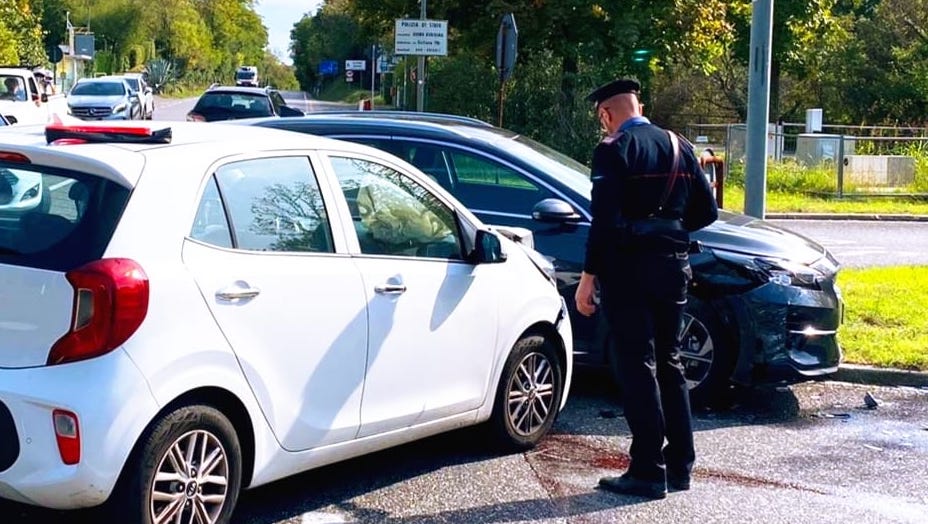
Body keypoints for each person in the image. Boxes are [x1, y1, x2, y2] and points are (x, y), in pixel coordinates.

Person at [574, 78, 718, 500]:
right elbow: (706, 211)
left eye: (601, 117)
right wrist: (667, 230)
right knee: (670, 362)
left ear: (607, 114)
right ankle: (681, 466)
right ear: (640, 105)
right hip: (673, 266)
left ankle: (647, 471)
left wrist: (588, 279)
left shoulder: (613, 149)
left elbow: (602, 223)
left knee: (636, 364)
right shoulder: (679, 146)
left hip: (628, 270)